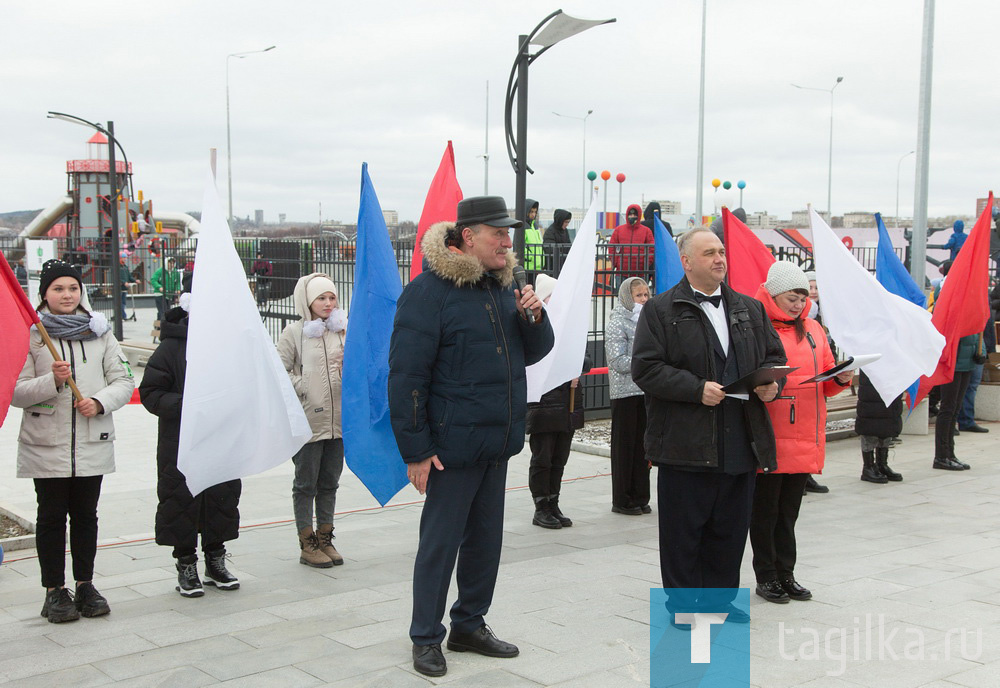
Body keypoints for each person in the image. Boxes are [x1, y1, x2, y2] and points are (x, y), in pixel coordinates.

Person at [389, 195, 553, 678]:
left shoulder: (506, 288)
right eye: (498, 233)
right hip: (449, 448)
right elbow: (405, 377)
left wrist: (534, 317)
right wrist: (416, 449)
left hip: (497, 441)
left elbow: (535, 353)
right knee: (441, 544)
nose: (508, 241)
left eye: (509, 233)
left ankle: (469, 624)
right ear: (467, 238)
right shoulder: (428, 292)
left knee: (485, 541)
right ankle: (425, 637)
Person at [631, 228, 785, 624]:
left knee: (730, 530)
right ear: (686, 261)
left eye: (721, 252)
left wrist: (772, 385)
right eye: (708, 253)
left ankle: (718, 601)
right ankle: (682, 605)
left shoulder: (750, 308)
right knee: (684, 532)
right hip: (685, 441)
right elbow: (646, 369)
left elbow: (774, 356)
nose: (720, 259)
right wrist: (695, 388)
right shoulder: (661, 310)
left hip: (740, 437)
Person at [12, 259, 134, 623]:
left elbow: (124, 380)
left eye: (72, 288)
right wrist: (53, 380)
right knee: (50, 517)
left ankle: (85, 584)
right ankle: (54, 591)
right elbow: (16, 392)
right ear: (44, 294)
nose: (66, 295)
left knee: (86, 516)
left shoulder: (100, 333)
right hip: (46, 444)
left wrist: (98, 402)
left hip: (90, 442)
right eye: (58, 289)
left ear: (81, 292)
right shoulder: (32, 334)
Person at [749, 262, 852, 604]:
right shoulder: (755, 325)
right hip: (770, 431)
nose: (797, 305)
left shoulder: (813, 329)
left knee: (789, 511)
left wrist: (842, 376)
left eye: (802, 298)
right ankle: (766, 576)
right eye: (791, 298)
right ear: (774, 294)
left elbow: (825, 379)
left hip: (805, 430)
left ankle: (786, 573)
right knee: (765, 511)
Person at [139, 275, 242, 597]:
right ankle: (186, 562)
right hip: (180, 441)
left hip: (221, 437)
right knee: (181, 501)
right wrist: (188, 405)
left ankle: (215, 558)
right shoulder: (171, 347)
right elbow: (150, 392)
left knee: (221, 497)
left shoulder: (230, 345)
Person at [277, 273, 348, 568]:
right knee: (306, 484)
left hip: (339, 423)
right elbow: (278, 371)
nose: (328, 303)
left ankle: (325, 537)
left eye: (332, 297)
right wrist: (305, 385)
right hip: (308, 423)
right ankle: (307, 542)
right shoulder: (294, 333)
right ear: (308, 301)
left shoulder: (343, 331)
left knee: (330, 483)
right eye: (321, 298)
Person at [526, 274, 591, 529]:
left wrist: (577, 368)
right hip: (545, 404)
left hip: (569, 403)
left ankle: (553, 502)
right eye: (552, 297)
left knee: (560, 457)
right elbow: (537, 360)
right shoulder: (536, 326)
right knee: (542, 457)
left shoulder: (571, 328)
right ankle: (540, 505)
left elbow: (585, 358)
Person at [605, 276, 651, 515]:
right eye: (638, 296)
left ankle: (641, 496)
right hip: (625, 393)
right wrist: (646, 363)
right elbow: (617, 360)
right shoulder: (617, 323)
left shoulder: (649, 321)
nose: (643, 300)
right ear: (627, 297)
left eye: (646, 295)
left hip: (645, 390)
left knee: (643, 447)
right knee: (625, 447)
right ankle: (623, 499)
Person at [934, 332, 986, 471]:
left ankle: (950, 454)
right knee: (948, 409)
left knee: (955, 409)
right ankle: (941, 456)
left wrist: (982, 353)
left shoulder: (972, 314)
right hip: (952, 365)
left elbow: (978, 335)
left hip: (967, 364)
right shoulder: (954, 312)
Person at [855, 372, 904, 484]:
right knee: (871, 420)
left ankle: (882, 464)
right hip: (872, 379)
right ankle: (868, 466)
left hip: (892, 377)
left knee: (888, 420)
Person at [609, 204, 654, 282]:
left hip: (640, 272)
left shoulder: (646, 231)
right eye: (630, 214)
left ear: (639, 215)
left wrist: (645, 263)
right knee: (622, 294)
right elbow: (612, 247)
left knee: (639, 293)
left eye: (634, 214)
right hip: (621, 271)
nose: (632, 216)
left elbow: (651, 249)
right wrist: (616, 263)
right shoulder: (619, 230)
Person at [542, 209, 572, 276]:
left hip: (563, 266)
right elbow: (550, 250)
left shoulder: (565, 231)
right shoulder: (550, 232)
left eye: (568, 222)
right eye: (566, 222)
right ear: (560, 221)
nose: (567, 224)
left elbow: (569, 246)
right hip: (553, 267)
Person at [149, 257, 180, 322]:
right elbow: (153, 280)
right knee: (163, 310)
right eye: (170, 263)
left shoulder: (175, 272)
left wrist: (178, 289)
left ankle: (159, 324)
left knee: (167, 310)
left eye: (173, 263)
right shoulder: (160, 271)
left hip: (169, 294)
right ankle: (162, 324)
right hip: (160, 294)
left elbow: (177, 282)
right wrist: (159, 287)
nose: (171, 264)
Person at [521, 198, 544, 278]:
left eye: (535, 212)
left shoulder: (535, 226)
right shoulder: (522, 226)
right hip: (528, 267)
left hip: (538, 267)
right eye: (531, 212)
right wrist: (530, 257)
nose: (533, 214)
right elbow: (519, 245)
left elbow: (540, 245)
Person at [118, 253, 136, 321]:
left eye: (125, 258)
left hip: (124, 288)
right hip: (119, 288)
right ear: (120, 258)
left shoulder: (125, 267)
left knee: (123, 302)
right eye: (123, 257)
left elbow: (129, 276)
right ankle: (123, 316)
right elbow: (117, 277)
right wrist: (123, 282)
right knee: (120, 303)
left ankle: (123, 316)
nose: (125, 259)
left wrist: (135, 280)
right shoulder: (117, 267)